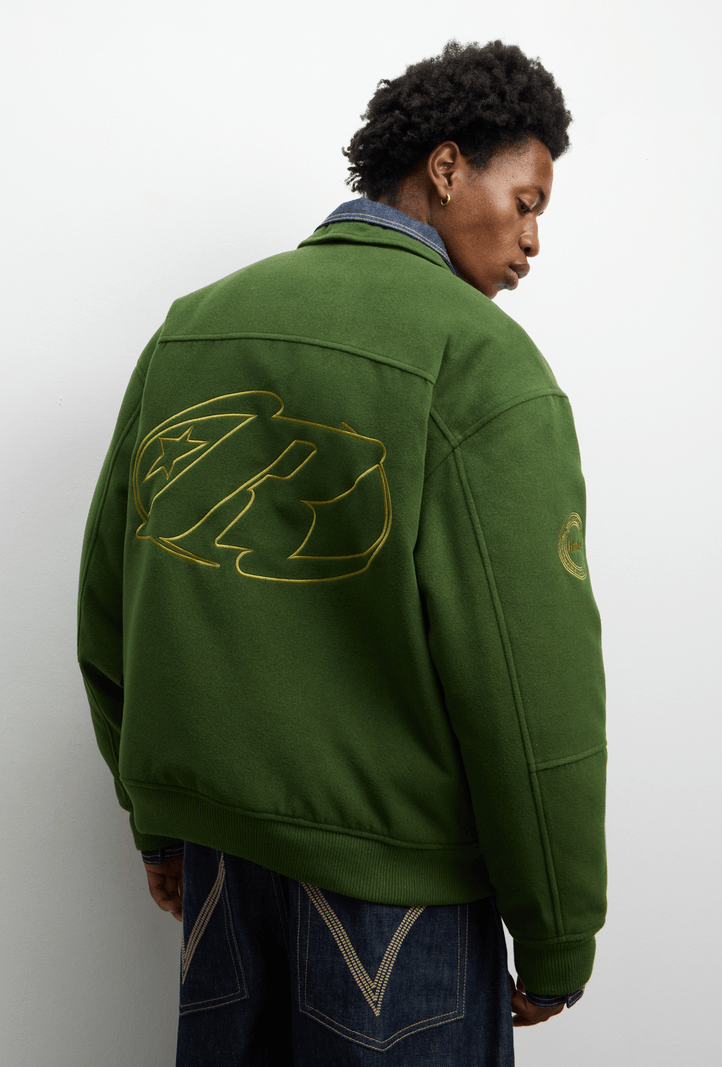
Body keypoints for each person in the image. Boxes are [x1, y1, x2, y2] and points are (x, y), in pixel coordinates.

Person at [78, 39, 606, 1065]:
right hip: (401, 900)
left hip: (219, 875)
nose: (533, 239)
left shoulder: (193, 328)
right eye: (526, 201)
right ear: (445, 168)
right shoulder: (482, 365)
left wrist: (158, 820)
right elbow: (532, 685)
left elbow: (109, 601)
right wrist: (558, 929)